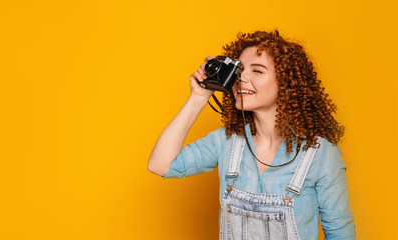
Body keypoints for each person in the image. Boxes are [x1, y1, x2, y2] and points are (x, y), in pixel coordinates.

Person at [147, 30, 356, 239]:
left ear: (285, 83)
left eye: (257, 71)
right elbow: (160, 165)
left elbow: (340, 233)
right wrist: (198, 97)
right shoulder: (226, 141)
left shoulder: (320, 154)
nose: (242, 78)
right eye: (239, 70)